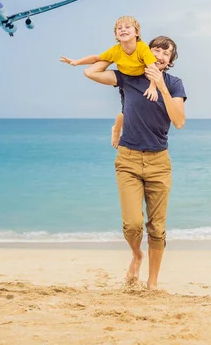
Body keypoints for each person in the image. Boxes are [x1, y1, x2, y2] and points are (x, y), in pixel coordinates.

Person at [81, 35, 186, 290]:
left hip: (159, 162)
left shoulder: (174, 84)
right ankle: (137, 255)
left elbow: (179, 121)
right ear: (146, 53)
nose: (160, 56)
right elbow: (91, 72)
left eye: (166, 53)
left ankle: (152, 283)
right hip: (128, 160)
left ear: (170, 60)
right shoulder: (128, 77)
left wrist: (160, 86)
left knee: (157, 228)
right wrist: (121, 53)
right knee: (132, 224)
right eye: (156, 50)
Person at [60, 15, 159, 148]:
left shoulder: (142, 48)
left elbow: (153, 68)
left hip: (141, 78)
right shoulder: (116, 50)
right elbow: (95, 57)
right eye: (119, 28)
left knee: (127, 111)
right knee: (89, 70)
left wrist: (152, 87)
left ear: (137, 32)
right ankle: (116, 130)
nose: (123, 30)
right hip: (124, 78)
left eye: (127, 27)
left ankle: (116, 128)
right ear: (116, 35)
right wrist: (76, 62)